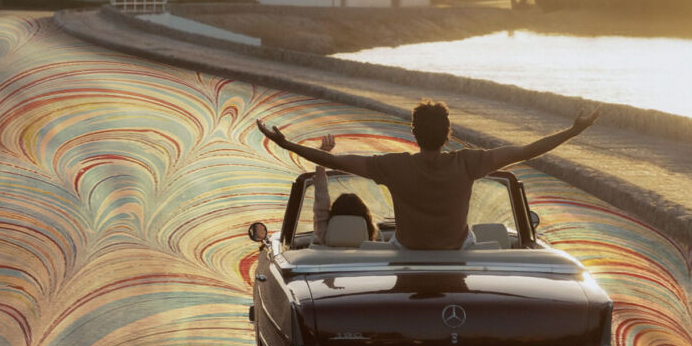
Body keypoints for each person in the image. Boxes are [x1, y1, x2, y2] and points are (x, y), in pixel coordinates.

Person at [257, 99, 599, 250]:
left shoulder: (394, 166)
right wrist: (572, 131)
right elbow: (526, 152)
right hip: (460, 251)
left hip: (407, 250)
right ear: (447, 133)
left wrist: (287, 143)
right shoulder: (468, 163)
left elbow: (339, 162)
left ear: (414, 133)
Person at [312, 134, 378, 244]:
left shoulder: (324, 236)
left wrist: (322, 156)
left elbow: (321, 195)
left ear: (332, 217)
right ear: (367, 221)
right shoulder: (378, 254)